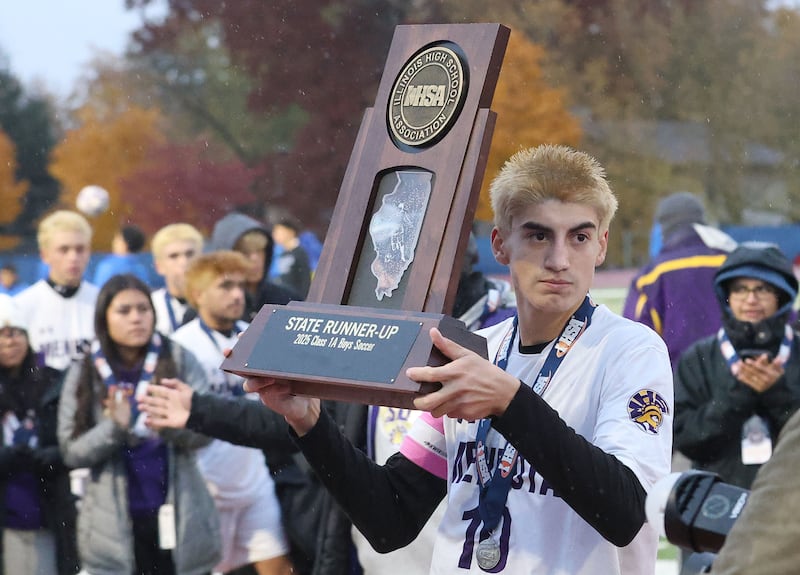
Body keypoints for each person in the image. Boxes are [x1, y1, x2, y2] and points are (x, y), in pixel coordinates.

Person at [240, 145, 674, 574]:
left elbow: (627, 514)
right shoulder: (475, 350)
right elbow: (391, 519)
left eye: (579, 237)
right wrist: (309, 424)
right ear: (501, 245)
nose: (559, 259)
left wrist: (511, 402)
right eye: (538, 235)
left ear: (601, 246)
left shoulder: (632, 351)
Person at [353, 231, 517, 575]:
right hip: (389, 555)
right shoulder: (377, 333)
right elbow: (388, 507)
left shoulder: (502, 337)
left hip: (478, 552)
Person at [56, 274, 221, 575]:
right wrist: (113, 429)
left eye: (143, 309)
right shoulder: (84, 369)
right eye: (124, 311)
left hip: (179, 509)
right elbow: (70, 452)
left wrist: (169, 425)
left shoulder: (178, 357)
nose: (137, 318)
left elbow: (208, 431)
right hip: (113, 523)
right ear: (103, 318)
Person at [171, 252, 293, 575]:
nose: (238, 294)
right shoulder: (179, 345)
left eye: (241, 286)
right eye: (225, 286)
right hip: (206, 485)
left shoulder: (259, 334)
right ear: (198, 294)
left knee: (279, 567)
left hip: (254, 479)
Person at [673, 243, 800, 489]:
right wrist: (736, 397)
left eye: (762, 289)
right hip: (717, 502)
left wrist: (778, 395)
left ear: (781, 296)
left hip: (791, 502)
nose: (751, 299)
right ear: (727, 296)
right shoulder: (698, 357)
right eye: (740, 289)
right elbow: (685, 439)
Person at [0, 294, 79, 574]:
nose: (10, 341)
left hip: (46, 509)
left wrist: (51, 455)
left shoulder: (51, 381)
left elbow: (72, 441)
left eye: (17, 333)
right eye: (2, 334)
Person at [622, 191, 736, 369]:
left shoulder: (651, 276)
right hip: (735, 377)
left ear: (664, 226)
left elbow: (634, 340)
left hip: (677, 383)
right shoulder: (733, 262)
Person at [709, 407, 800, 575]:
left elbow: (755, 564)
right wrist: (739, 393)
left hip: (763, 511)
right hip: (722, 483)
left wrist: (775, 389)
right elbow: (688, 433)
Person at [14, 210, 99, 372]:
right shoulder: (22, 305)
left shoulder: (103, 301)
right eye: (64, 250)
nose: (73, 257)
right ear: (45, 255)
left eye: (80, 249)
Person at [209, 212, 299, 322]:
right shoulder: (211, 308)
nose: (256, 259)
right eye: (246, 252)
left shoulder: (288, 301)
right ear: (226, 257)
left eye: (261, 250)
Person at [149, 223, 204, 335]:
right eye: (174, 256)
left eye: (190, 254)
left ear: (202, 259)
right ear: (159, 266)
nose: (184, 262)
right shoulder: (150, 306)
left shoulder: (218, 302)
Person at [271, 216, 312, 299]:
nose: (275, 235)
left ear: (290, 232)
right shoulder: (280, 254)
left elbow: (305, 280)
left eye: (279, 232)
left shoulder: (300, 253)